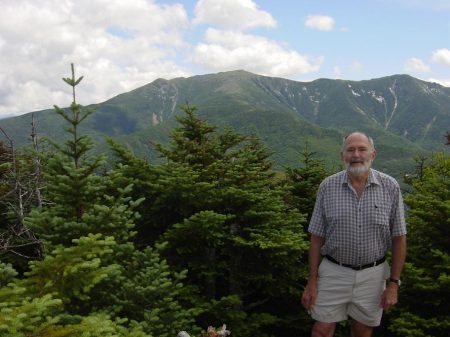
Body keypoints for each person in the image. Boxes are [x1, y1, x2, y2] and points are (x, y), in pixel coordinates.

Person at [301, 131, 407, 337]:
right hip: (333, 271)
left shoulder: (390, 187)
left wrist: (393, 283)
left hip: (373, 275)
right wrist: (312, 281)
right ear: (343, 155)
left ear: (373, 154)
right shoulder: (327, 187)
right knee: (321, 330)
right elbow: (316, 239)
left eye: (362, 149)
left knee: (362, 331)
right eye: (350, 150)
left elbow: (399, 238)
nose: (356, 155)